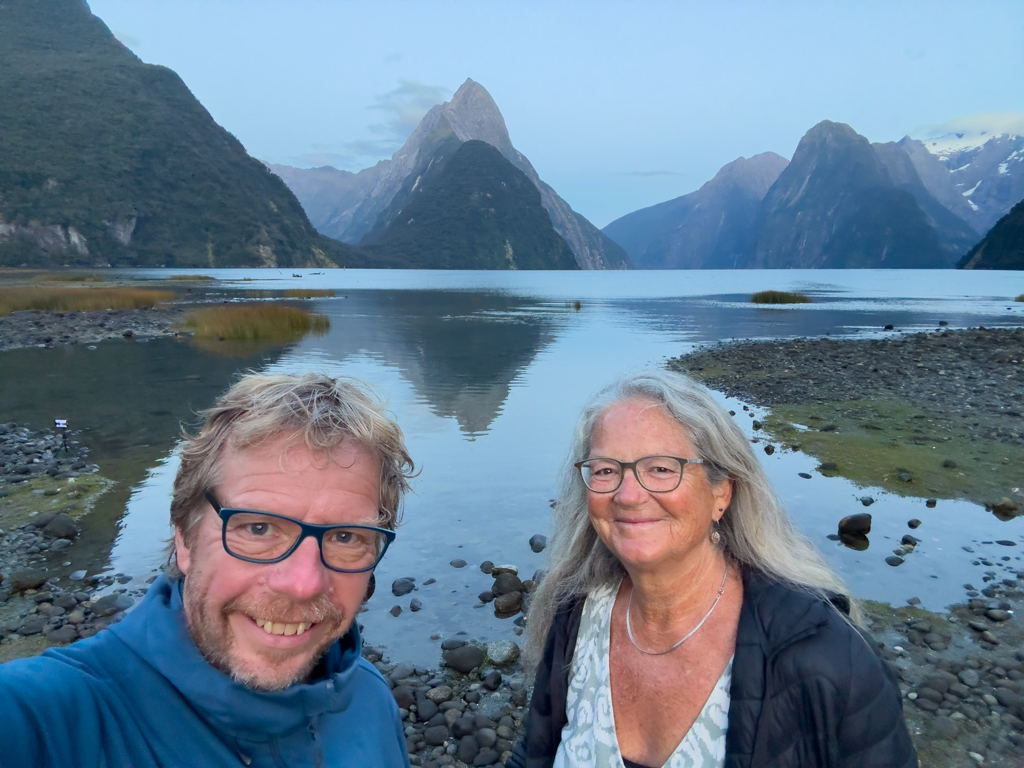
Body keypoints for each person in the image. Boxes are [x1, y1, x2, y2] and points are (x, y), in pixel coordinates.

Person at [0, 373, 416, 767]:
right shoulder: (45, 716)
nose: (302, 584)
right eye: (258, 528)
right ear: (185, 538)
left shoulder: (370, 700)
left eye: (345, 537)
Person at [510, 370, 916, 768]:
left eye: (662, 468)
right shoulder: (576, 613)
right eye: (605, 470)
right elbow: (536, 749)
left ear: (720, 492)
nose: (628, 495)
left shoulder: (826, 656)